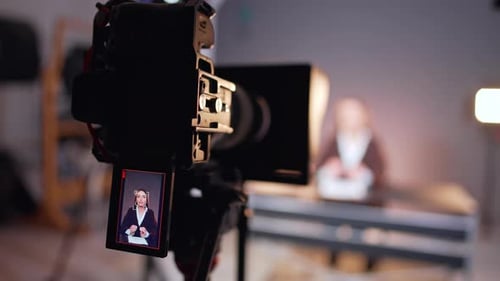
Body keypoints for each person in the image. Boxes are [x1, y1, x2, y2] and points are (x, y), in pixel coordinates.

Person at [316, 97, 385, 202]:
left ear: (365, 117)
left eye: (354, 115)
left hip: (362, 200)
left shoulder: (371, 142)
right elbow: (319, 166)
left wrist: (364, 172)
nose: (350, 119)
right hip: (333, 195)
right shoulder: (333, 141)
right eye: (345, 116)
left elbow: (379, 171)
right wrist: (329, 167)